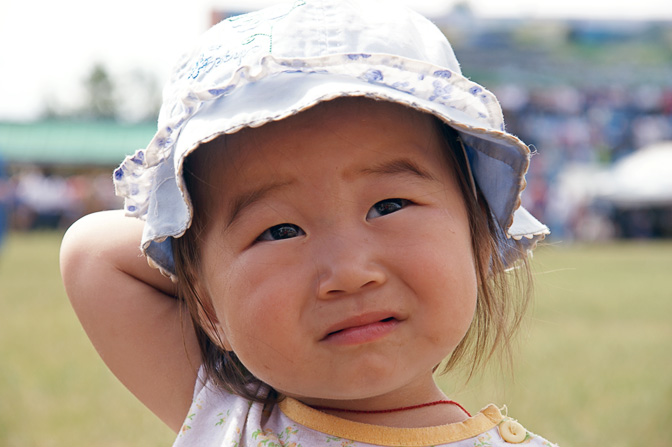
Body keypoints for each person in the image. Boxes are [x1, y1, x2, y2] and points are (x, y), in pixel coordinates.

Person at [60, 1, 554, 445]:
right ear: (205, 306)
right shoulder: (232, 416)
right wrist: (211, 287)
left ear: (480, 236)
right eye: (279, 231)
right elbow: (92, 252)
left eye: (389, 206)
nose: (349, 271)